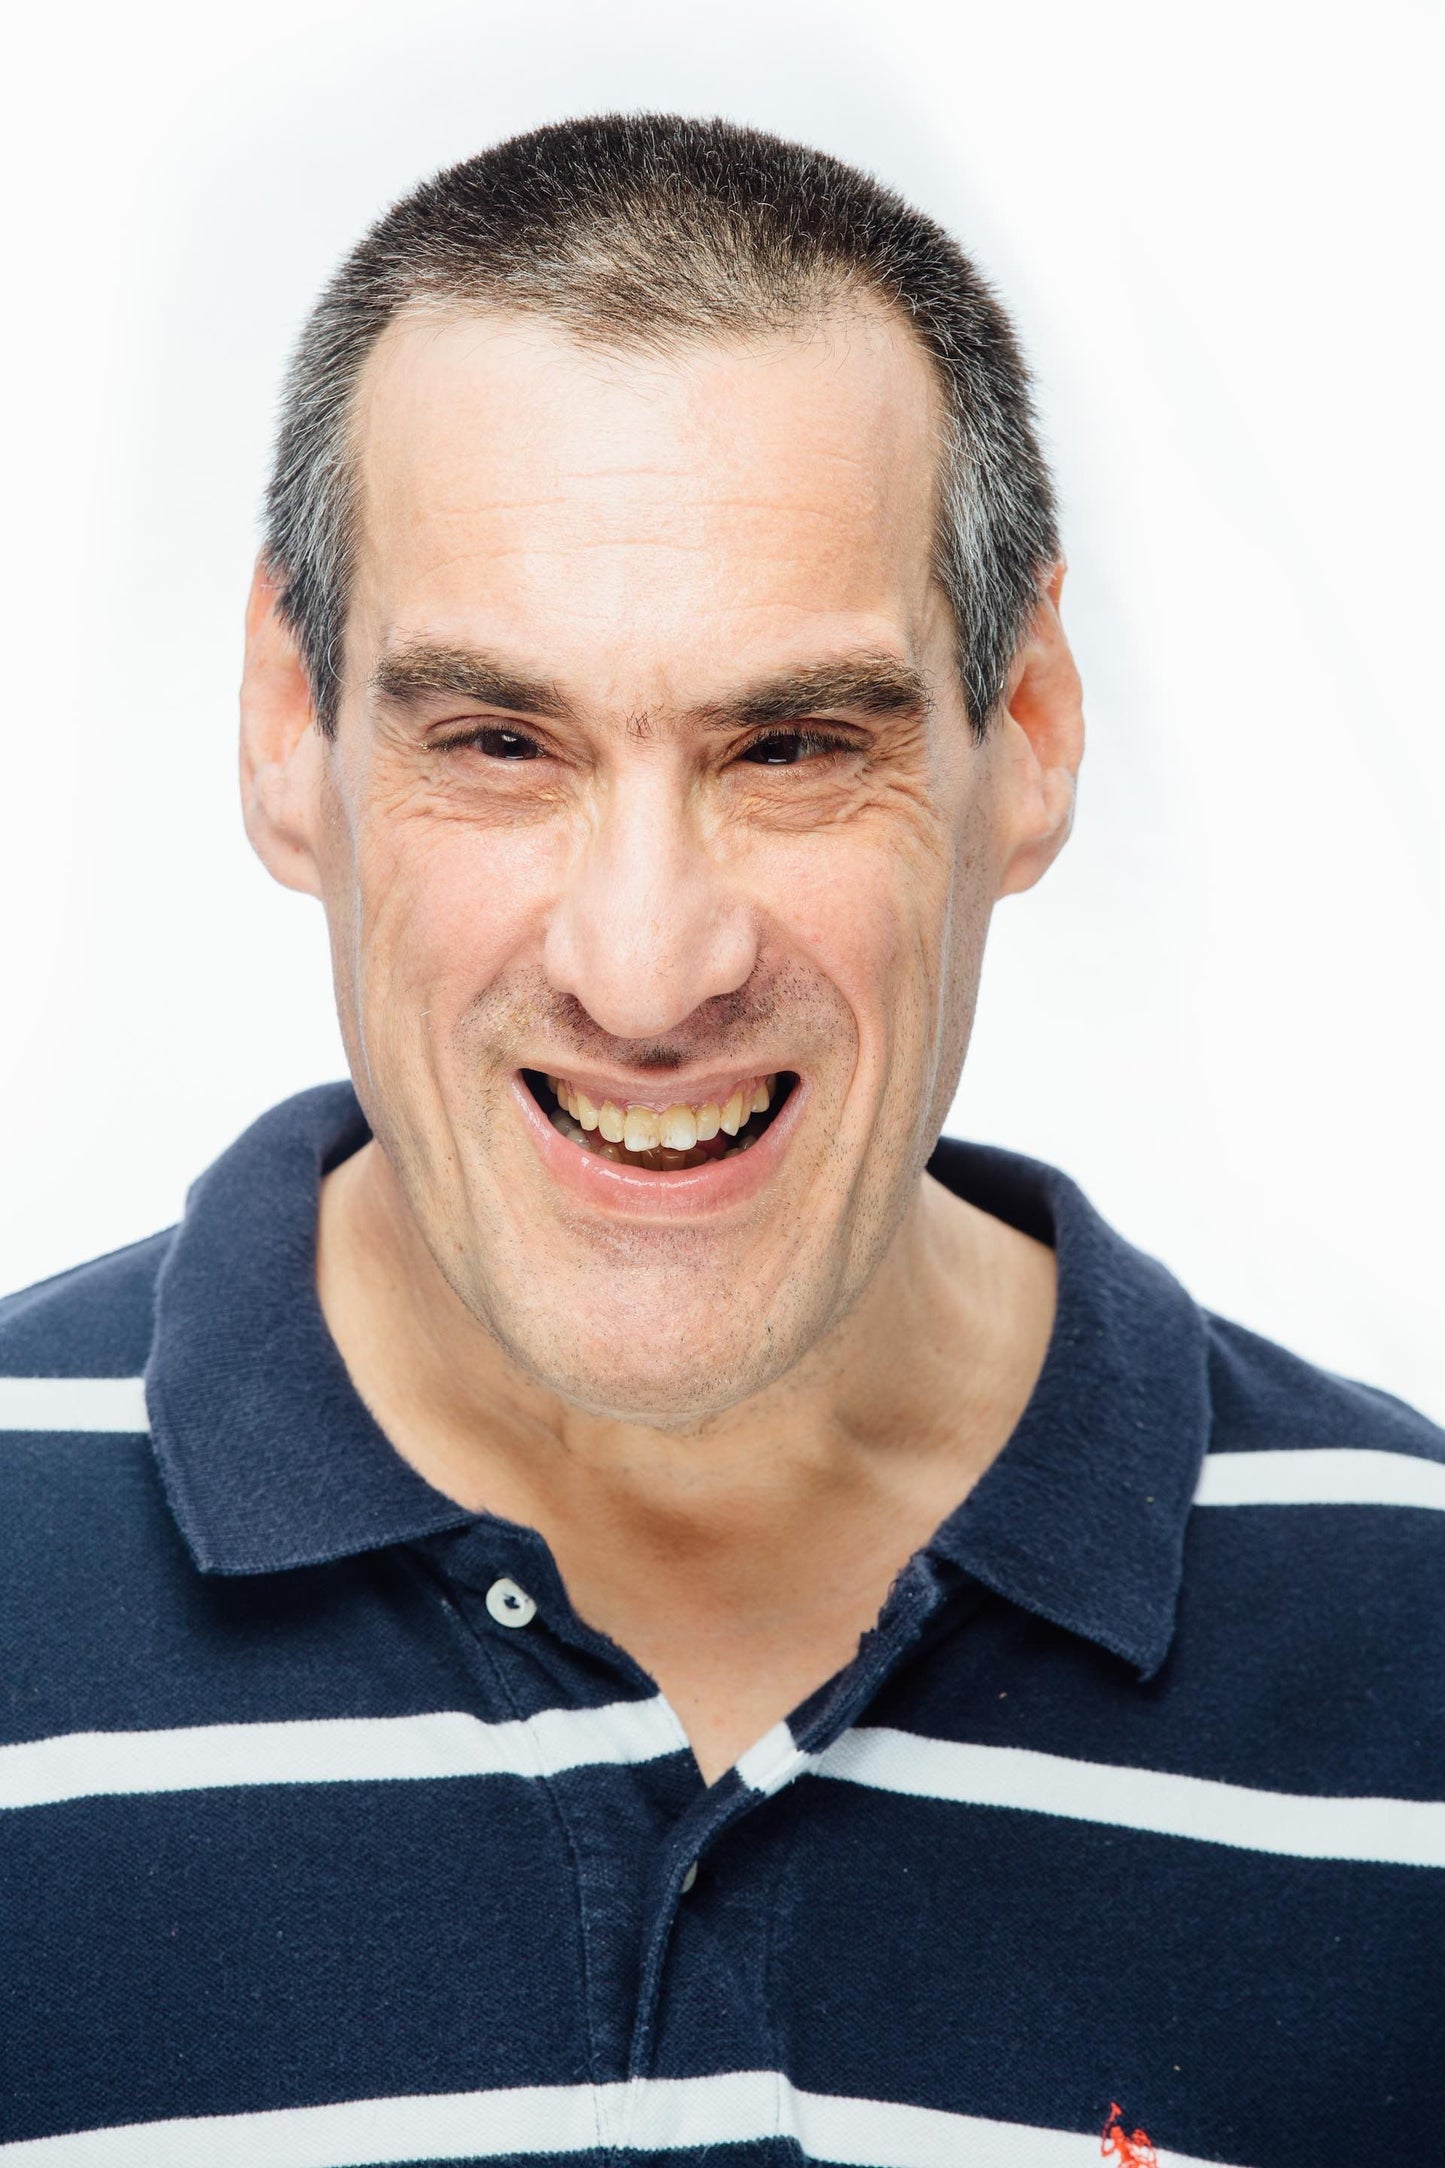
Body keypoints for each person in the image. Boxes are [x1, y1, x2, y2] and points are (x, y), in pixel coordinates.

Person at [1, 114, 1440, 2168]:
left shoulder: (1418, 1663)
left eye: (792, 745)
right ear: (284, 728)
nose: (648, 967)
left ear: (1022, 734)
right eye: (498, 742)